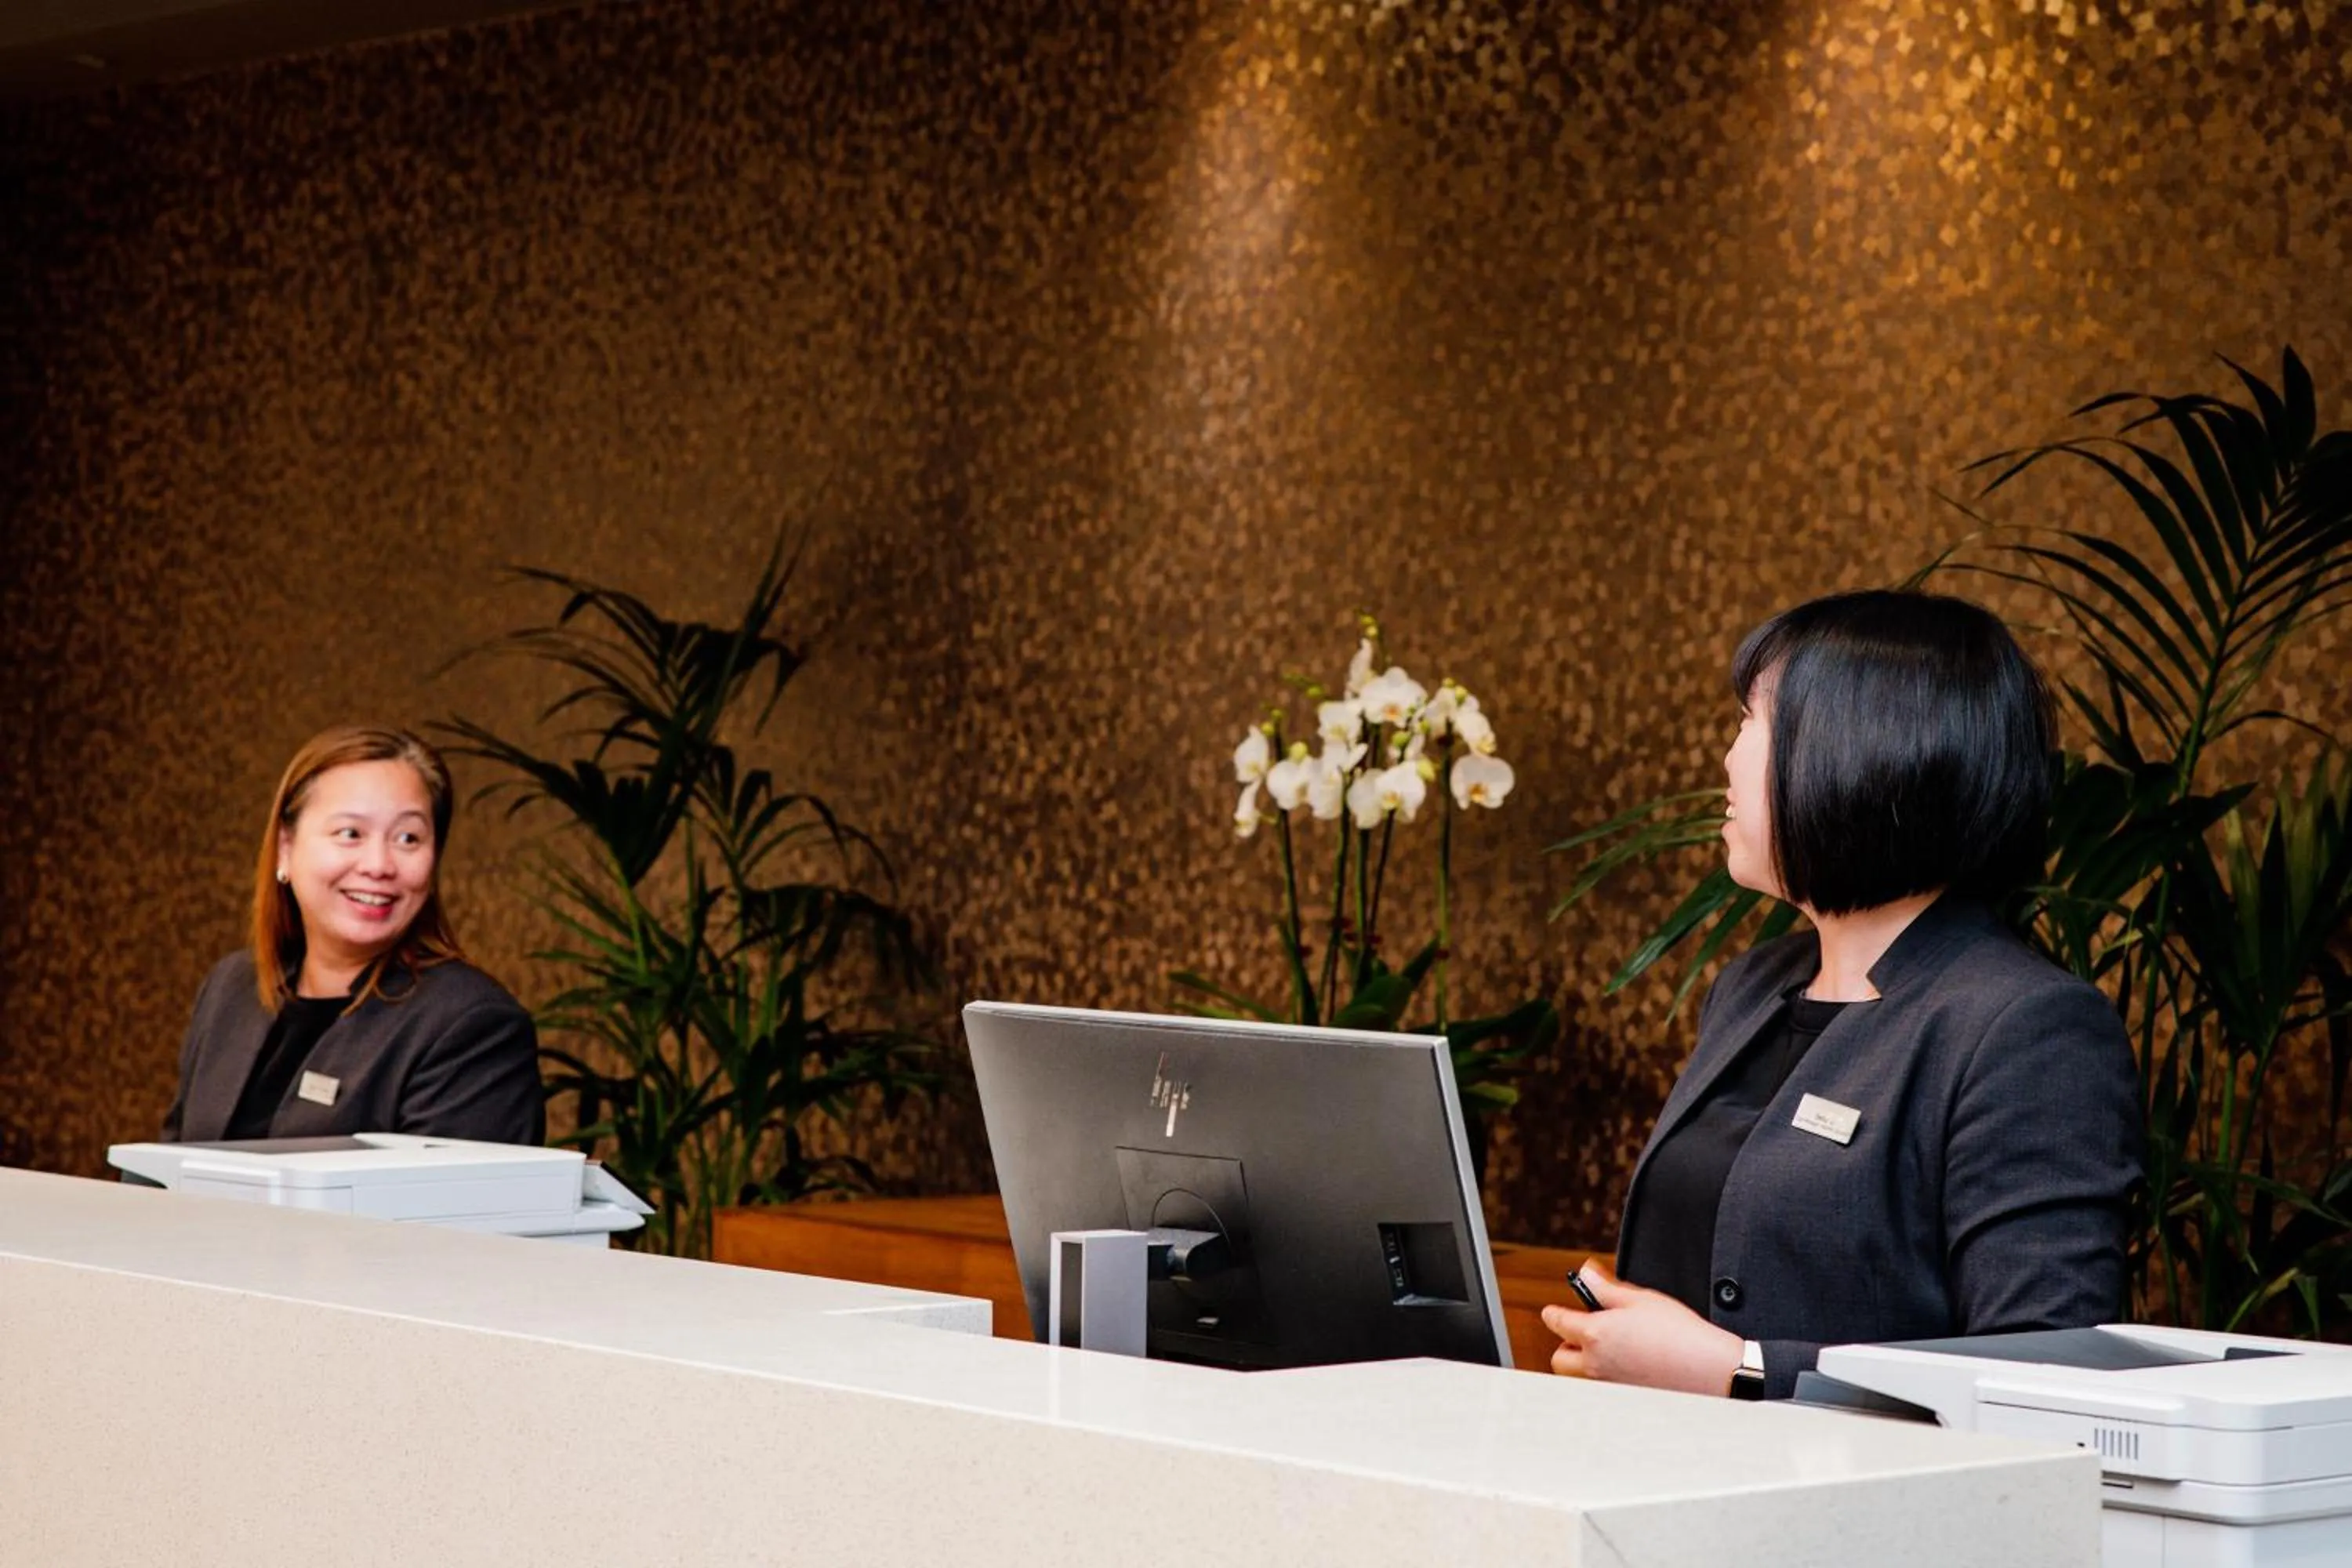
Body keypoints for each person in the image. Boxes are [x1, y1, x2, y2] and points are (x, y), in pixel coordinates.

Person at [1544, 590, 2143, 1400]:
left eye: (1751, 721)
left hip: (1858, 1485)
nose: (1726, 759)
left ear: (1862, 751)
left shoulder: (2025, 1027)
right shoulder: (1753, 987)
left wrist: (1742, 1371)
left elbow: (2041, 1374)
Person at [162, 725, 545, 1146]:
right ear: (285, 847)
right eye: (351, 834)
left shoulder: (470, 1024)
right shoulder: (231, 988)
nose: (378, 865)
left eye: (408, 838)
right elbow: (161, 1172)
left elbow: (448, 1191)